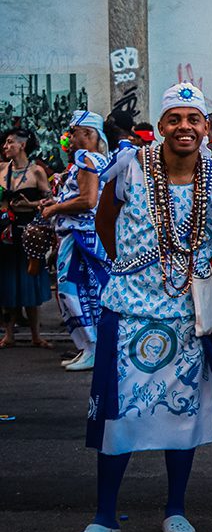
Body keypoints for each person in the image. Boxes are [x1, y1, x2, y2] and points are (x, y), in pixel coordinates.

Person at [67, 83, 212, 532]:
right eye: (175, 119)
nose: (184, 127)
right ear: (161, 125)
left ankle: (176, 509)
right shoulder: (129, 166)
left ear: (206, 127)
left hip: (190, 316)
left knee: (182, 414)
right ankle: (105, 516)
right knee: (117, 415)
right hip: (128, 310)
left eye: (194, 119)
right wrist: (132, 269)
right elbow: (105, 221)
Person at [39, 111, 109, 372]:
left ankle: (92, 347)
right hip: (85, 235)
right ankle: (89, 348)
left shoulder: (86, 159)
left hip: (82, 236)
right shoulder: (97, 159)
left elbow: (88, 200)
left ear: (88, 134)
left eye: (74, 131)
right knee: (86, 292)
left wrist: (55, 209)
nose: (69, 137)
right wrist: (57, 203)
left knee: (71, 291)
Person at [0, 127, 53, 348]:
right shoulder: (1, 170)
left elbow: (50, 201)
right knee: (8, 283)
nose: (5, 146)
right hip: (5, 234)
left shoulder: (36, 172)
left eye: (10, 142)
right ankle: (9, 334)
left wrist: (30, 205)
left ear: (22, 145)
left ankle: (35, 334)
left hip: (29, 234)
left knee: (29, 281)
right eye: (5, 143)